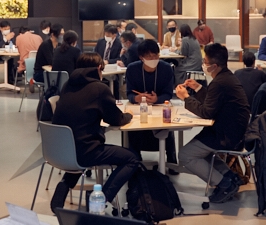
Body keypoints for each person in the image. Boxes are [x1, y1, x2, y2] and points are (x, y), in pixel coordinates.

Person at [50, 53, 138, 213]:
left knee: (81, 149)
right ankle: (101, 199)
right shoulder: (99, 88)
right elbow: (116, 119)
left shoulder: (68, 84)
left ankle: (63, 187)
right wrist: (129, 115)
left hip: (60, 151)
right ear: (98, 68)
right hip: (85, 151)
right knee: (132, 158)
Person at [175, 43, 250, 203]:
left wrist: (186, 98)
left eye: (205, 61)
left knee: (185, 155)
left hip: (226, 135)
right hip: (233, 130)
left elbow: (206, 112)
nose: (203, 64)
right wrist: (198, 88)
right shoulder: (226, 77)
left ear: (214, 66)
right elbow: (213, 102)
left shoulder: (219, 82)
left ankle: (224, 184)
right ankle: (230, 176)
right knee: (202, 153)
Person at [125, 39, 177, 171]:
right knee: (132, 127)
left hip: (160, 107)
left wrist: (157, 99)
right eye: (149, 56)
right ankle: (135, 160)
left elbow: (168, 93)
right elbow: (129, 93)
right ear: (141, 57)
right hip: (138, 108)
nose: (153, 59)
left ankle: (172, 160)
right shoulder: (132, 69)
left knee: (166, 126)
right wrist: (136, 98)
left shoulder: (166, 68)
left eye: (156, 56)